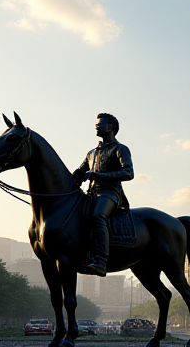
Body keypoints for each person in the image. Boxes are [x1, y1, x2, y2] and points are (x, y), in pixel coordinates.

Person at [73, 113, 133, 276]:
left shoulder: (120, 149)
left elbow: (128, 173)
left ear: (112, 127)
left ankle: (101, 260)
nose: (96, 126)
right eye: (96, 123)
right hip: (91, 193)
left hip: (110, 193)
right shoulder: (91, 153)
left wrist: (99, 175)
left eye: (101, 123)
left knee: (98, 216)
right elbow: (80, 172)